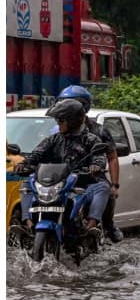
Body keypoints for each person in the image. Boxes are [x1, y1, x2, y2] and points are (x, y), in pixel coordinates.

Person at [15, 100, 110, 240]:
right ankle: (27, 224)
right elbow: (36, 154)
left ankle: (91, 227)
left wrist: (96, 166)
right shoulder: (53, 139)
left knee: (103, 187)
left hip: (81, 183)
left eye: (61, 121)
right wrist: (25, 163)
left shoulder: (91, 140)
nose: (58, 124)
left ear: (72, 121)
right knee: (27, 185)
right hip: (53, 182)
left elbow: (99, 156)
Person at [57, 85, 124, 243]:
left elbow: (112, 157)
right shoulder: (57, 130)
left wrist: (115, 185)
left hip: (92, 177)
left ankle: (101, 226)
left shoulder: (99, 131)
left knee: (105, 190)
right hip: (63, 177)